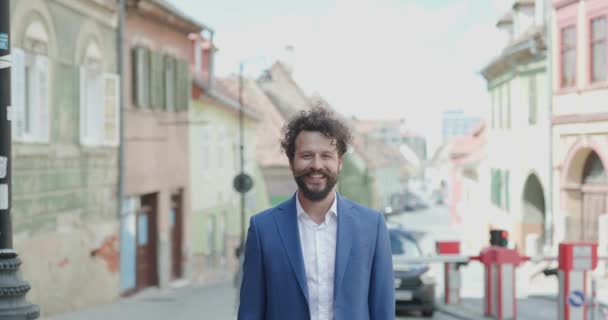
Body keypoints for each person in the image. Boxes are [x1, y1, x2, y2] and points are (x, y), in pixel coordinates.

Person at [238, 107, 395, 320]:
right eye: (306, 156)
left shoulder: (372, 226)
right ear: (291, 162)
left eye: (326, 156)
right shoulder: (263, 229)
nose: (316, 165)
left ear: (339, 163)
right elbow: (250, 312)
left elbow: (383, 311)